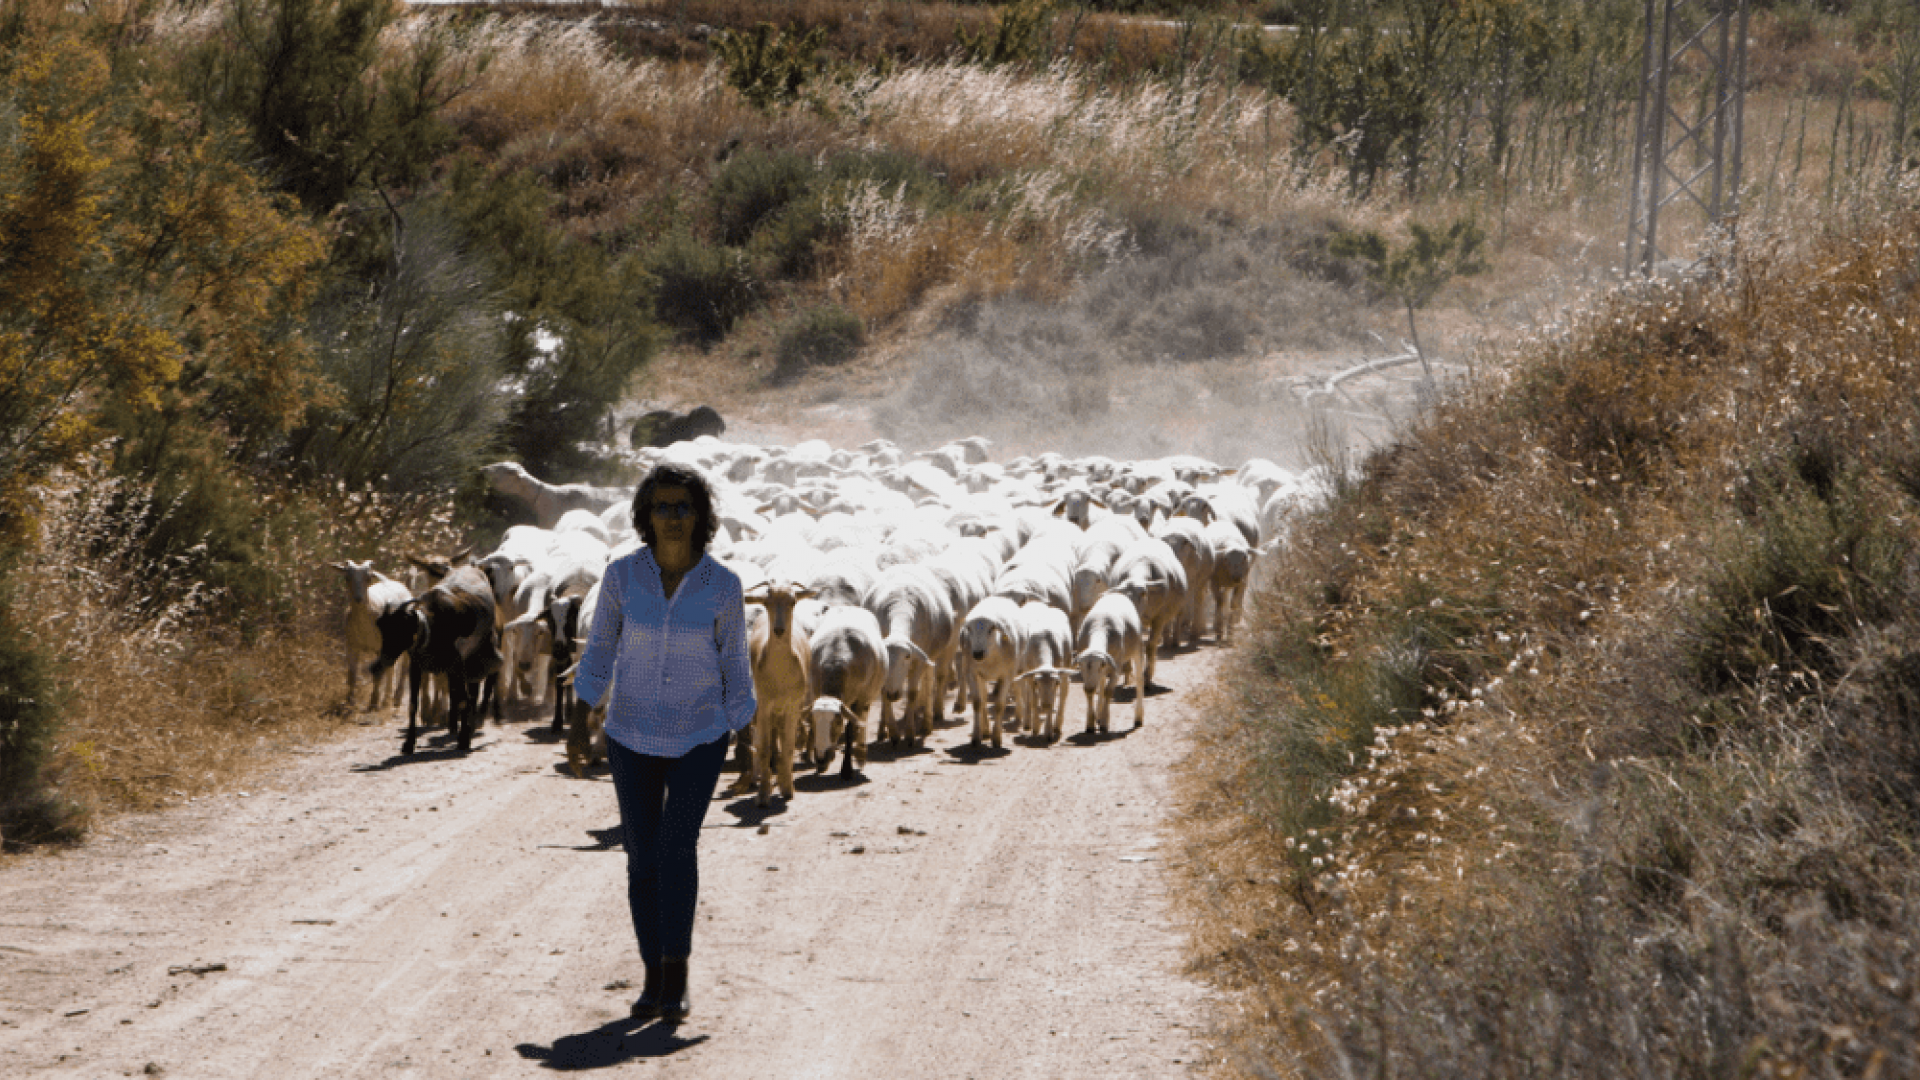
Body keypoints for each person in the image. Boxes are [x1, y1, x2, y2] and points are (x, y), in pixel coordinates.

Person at [573, 463, 755, 1022]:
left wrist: (746, 738)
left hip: (701, 736)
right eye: (662, 507)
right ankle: (652, 975)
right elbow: (601, 648)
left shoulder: (722, 585)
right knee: (640, 857)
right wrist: (579, 721)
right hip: (630, 733)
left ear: (700, 516)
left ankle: (676, 975)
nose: (673, 518)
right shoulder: (622, 577)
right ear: (645, 517)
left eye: (683, 507)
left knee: (678, 850)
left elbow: (734, 664)